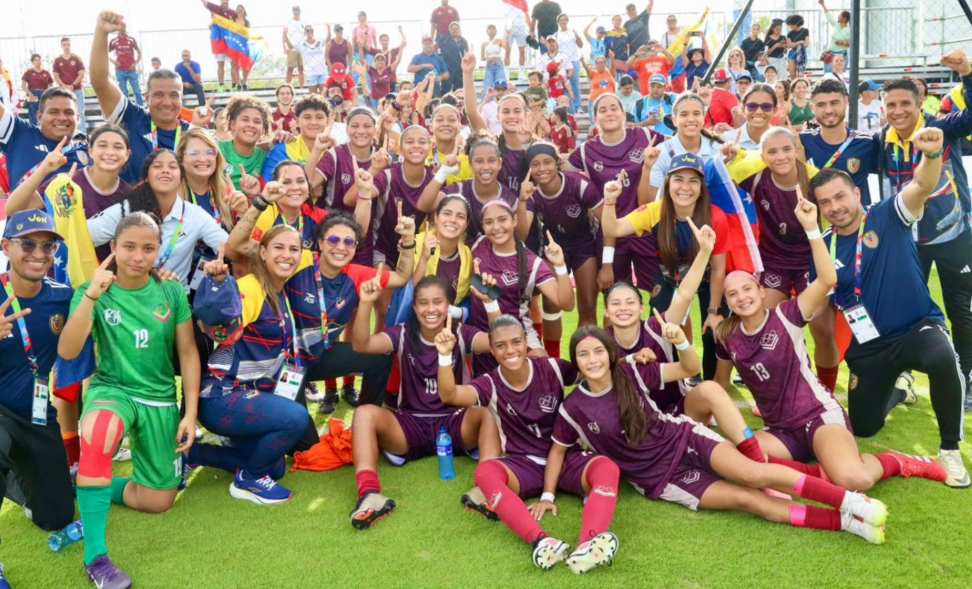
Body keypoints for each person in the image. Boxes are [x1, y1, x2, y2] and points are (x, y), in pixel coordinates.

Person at [558, 326, 890, 543]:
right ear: (575, 361)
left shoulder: (631, 371)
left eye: (598, 351)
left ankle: (850, 501)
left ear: (610, 354)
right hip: (660, 478)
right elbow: (558, 451)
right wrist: (548, 496)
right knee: (748, 500)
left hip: (684, 438)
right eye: (583, 354)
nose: (592, 360)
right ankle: (846, 523)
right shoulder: (572, 408)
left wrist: (680, 340)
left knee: (753, 473)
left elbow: (688, 369)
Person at [714, 190, 949, 492]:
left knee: (854, 480)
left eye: (747, 289)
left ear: (761, 291)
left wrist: (812, 228)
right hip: (780, 431)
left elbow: (827, 280)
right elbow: (719, 386)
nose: (741, 298)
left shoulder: (786, 314)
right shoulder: (727, 336)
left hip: (818, 417)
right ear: (727, 302)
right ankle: (818, 471)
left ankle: (895, 460)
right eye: (732, 294)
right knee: (735, 463)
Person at [811, 127, 970, 488]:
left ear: (856, 193)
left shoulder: (887, 214)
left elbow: (921, 186)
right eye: (825, 202)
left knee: (942, 356)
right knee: (864, 428)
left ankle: (949, 448)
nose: (835, 207)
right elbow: (818, 306)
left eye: (840, 196)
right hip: (869, 346)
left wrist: (932, 155)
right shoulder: (822, 246)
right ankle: (900, 387)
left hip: (916, 328)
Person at [60, 212, 200, 588]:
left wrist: (190, 413)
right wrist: (92, 294)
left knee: (158, 501)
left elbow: (188, 353)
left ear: (159, 251)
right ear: (114, 247)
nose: (138, 256)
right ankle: (96, 558)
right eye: (129, 247)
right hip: (112, 390)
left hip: (159, 398)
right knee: (99, 432)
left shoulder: (171, 291)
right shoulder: (92, 290)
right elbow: (68, 351)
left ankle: (87, 482)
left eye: (148, 248)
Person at [437, 314, 621, 573]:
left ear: (526, 342)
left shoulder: (552, 368)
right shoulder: (490, 383)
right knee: (485, 473)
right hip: (524, 466)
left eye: (516, 342)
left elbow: (595, 367)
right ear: (492, 350)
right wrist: (444, 355)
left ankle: (588, 545)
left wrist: (634, 358)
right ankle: (541, 541)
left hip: (566, 457)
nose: (510, 350)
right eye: (500, 345)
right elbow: (450, 394)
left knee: (607, 468)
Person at [349, 275, 498, 529]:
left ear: (449, 306)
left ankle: (486, 488)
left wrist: (490, 303)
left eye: (438, 302)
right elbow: (362, 344)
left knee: (488, 411)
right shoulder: (403, 333)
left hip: (456, 422)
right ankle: (369, 494)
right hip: (410, 425)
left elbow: (497, 343)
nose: (431, 309)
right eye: (423, 303)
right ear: (415, 307)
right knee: (364, 413)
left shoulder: (461, 333)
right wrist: (365, 304)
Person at [188, 223, 313, 504]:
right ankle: (249, 481)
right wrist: (219, 288)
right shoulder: (250, 288)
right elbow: (218, 328)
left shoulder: (278, 291)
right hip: (221, 397)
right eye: (279, 247)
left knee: (275, 467)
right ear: (263, 252)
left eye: (294, 249)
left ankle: (195, 455)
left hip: (247, 395)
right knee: (295, 418)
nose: (287, 255)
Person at [877, 54, 972, 415]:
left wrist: (967, 73)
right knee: (903, 311)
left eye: (905, 103)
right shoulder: (880, 140)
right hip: (906, 241)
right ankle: (900, 377)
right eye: (891, 105)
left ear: (920, 104)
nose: (898, 111)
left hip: (954, 237)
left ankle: (966, 380)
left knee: (960, 310)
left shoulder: (942, 128)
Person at [0, 211, 77, 582]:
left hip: (35, 412)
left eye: (48, 246)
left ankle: (14, 478)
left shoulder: (62, 297)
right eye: (28, 243)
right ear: (6, 247)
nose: (39, 253)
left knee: (56, 517)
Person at [605, 152, 729, 381]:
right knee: (660, 326)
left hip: (707, 279)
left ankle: (710, 383)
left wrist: (714, 311)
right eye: (678, 179)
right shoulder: (655, 210)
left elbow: (719, 268)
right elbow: (613, 229)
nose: (685, 187)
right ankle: (667, 377)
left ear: (701, 188)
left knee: (712, 330)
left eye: (693, 181)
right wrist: (610, 201)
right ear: (668, 183)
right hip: (669, 276)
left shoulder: (716, 217)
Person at [85, 149, 230, 291]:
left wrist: (243, 214)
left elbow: (231, 250)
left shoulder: (195, 215)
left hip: (174, 298)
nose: (165, 170)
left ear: (181, 176)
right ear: (147, 176)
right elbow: (80, 238)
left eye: (172, 167)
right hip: (128, 296)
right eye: (157, 166)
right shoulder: (125, 210)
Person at [561, 94, 663, 296]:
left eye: (614, 108)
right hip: (611, 233)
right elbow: (556, 170)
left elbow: (678, 145)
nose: (609, 113)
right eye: (603, 110)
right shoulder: (586, 150)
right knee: (615, 297)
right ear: (595, 118)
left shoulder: (644, 135)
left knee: (660, 296)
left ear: (623, 114)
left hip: (646, 229)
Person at [91, 11, 209, 184]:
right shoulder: (132, 117)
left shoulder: (191, 134)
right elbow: (100, 82)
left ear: (182, 98)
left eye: (174, 95)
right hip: (133, 201)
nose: (167, 102)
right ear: (147, 97)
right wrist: (101, 32)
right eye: (159, 95)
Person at [469, 200, 574, 374]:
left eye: (502, 219)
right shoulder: (478, 245)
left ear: (515, 220)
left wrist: (560, 266)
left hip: (518, 336)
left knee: (543, 370)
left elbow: (567, 304)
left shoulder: (532, 263)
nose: (496, 227)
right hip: (481, 336)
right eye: (489, 222)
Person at [7, 124, 132, 263]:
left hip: (102, 273)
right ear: (90, 151)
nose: (110, 152)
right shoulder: (67, 181)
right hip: (61, 271)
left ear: (127, 155)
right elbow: (13, 209)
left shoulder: (129, 195)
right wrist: (43, 169)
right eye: (102, 145)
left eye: (118, 147)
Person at [516, 144, 604, 327]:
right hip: (553, 247)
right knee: (551, 302)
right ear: (529, 169)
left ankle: (587, 345)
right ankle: (551, 347)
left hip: (584, 245)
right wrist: (522, 201)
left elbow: (607, 221)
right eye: (535, 164)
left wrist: (608, 261)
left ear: (557, 163)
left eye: (547, 162)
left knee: (588, 306)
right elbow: (521, 236)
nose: (542, 168)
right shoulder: (531, 193)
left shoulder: (579, 185)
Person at [419, 133, 518, 246]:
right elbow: (424, 206)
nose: (486, 167)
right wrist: (443, 172)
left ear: (500, 163)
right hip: (460, 255)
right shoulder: (460, 189)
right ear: (470, 164)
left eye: (491, 161)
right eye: (479, 161)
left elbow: (519, 238)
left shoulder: (510, 199)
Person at [0, 86, 87, 188]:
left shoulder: (91, 152)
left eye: (69, 113)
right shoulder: (19, 133)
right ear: (39, 117)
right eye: (53, 112)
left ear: (78, 118)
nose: (62, 118)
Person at [646, 94, 722, 200]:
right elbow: (654, 202)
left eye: (696, 113)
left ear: (704, 118)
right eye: (684, 114)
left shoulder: (718, 149)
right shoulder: (660, 153)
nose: (691, 119)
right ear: (674, 121)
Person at [219, 95, 271, 188]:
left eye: (257, 121)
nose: (251, 125)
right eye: (245, 119)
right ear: (233, 124)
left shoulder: (266, 156)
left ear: (263, 129)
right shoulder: (218, 149)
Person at [723, 83, 777, 151]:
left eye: (766, 106)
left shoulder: (783, 140)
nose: (758, 112)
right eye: (752, 106)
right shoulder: (727, 140)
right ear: (743, 109)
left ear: (775, 110)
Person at [201, 0, 239, 91]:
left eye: (226, 0)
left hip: (230, 41)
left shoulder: (233, 13)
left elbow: (240, 24)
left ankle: (234, 86)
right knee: (220, 63)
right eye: (223, 0)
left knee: (233, 64)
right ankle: (221, 86)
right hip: (218, 40)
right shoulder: (215, 8)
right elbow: (205, 2)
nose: (224, 1)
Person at [52, 37, 87, 129]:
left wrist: (72, 85)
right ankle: (69, 132)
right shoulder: (57, 60)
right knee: (65, 113)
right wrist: (64, 86)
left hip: (77, 90)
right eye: (64, 45)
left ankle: (82, 133)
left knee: (80, 112)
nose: (66, 46)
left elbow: (81, 74)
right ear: (61, 46)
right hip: (64, 91)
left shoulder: (77, 58)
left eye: (68, 44)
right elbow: (56, 76)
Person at [553, 14, 583, 114]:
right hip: (562, 62)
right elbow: (555, 48)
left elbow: (581, 45)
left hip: (573, 60)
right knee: (563, 85)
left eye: (564, 20)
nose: (563, 22)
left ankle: (578, 106)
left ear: (567, 21)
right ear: (558, 22)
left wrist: (578, 36)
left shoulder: (572, 32)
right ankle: (567, 107)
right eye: (561, 20)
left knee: (575, 84)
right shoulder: (556, 34)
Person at [107, 24, 142, 108]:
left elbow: (139, 52)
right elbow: (105, 52)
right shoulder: (113, 41)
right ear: (117, 29)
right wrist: (113, 62)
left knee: (137, 91)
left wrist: (135, 63)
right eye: (121, 28)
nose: (123, 29)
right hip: (120, 70)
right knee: (124, 92)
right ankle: (127, 110)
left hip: (131, 70)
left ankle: (141, 109)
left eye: (124, 28)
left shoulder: (131, 39)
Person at [819, 0, 851, 73]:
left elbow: (851, 43)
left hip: (841, 56)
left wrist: (842, 43)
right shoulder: (837, 25)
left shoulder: (849, 30)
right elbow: (829, 17)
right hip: (830, 54)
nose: (838, 17)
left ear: (844, 19)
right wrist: (823, 5)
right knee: (828, 75)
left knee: (840, 75)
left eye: (840, 15)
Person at [21, 54, 54, 123]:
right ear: (32, 62)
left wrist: (50, 93)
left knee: (45, 113)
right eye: (36, 60)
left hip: (44, 94)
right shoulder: (28, 72)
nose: (38, 61)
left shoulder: (46, 72)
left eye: (39, 59)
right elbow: (23, 85)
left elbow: (51, 84)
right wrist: (29, 93)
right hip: (33, 94)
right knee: (33, 115)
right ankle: (34, 129)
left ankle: (45, 129)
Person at [439, 22, 469, 96]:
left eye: (456, 28)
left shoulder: (463, 40)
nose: (455, 30)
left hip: (460, 68)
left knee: (459, 90)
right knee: (445, 89)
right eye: (453, 29)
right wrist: (439, 61)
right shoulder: (445, 38)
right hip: (447, 68)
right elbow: (435, 47)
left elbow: (467, 53)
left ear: (459, 30)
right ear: (449, 30)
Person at [481, 25, 508, 105]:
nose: (491, 30)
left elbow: (506, 47)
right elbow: (482, 57)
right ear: (487, 31)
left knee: (501, 85)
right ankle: (486, 105)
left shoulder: (499, 41)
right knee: (488, 86)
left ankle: (502, 103)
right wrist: (487, 57)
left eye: (493, 29)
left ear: (496, 31)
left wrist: (507, 36)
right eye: (490, 29)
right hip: (489, 66)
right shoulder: (484, 43)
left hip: (499, 65)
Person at [299, 25, 328, 95]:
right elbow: (291, 46)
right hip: (310, 73)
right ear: (305, 32)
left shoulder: (320, 41)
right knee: (313, 96)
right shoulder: (301, 44)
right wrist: (285, 37)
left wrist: (329, 29)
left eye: (312, 30)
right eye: (308, 30)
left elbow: (328, 39)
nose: (310, 32)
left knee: (324, 95)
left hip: (322, 72)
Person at [283, 5, 306, 88]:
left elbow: (307, 34)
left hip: (302, 48)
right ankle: (287, 87)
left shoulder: (304, 22)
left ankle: (301, 88)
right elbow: (284, 35)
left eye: (298, 11)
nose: (296, 12)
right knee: (290, 68)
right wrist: (284, 47)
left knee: (301, 69)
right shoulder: (288, 22)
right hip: (292, 47)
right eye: (295, 11)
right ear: (292, 12)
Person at [784, 15, 810, 80]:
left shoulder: (805, 31)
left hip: (802, 53)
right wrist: (800, 42)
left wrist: (794, 44)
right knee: (792, 76)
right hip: (792, 53)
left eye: (791, 24)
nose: (790, 26)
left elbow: (806, 44)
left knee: (801, 75)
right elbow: (789, 45)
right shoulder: (789, 33)